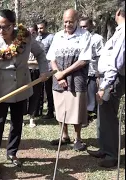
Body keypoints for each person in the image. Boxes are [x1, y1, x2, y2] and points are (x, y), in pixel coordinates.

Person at [0, 9, 48, 179]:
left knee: (17, 123)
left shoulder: (26, 37)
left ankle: (12, 152)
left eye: (5, 27)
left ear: (13, 25)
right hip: (1, 93)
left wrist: (43, 71)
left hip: (21, 88)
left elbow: (41, 53)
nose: (1, 30)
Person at [47, 9, 92, 151]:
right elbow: (51, 57)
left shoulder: (85, 35)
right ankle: (64, 136)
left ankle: (77, 138)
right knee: (60, 108)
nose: (68, 24)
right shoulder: (58, 36)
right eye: (65, 21)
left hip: (77, 78)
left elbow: (84, 60)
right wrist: (58, 75)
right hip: (58, 77)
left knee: (77, 108)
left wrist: (63, 73)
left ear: (77, 21)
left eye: (71, 21)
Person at [87, 1, 125, 168]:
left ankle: (112, 154)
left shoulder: (123, 32)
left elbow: (117, 62)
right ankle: (105, 147)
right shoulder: (119, 32)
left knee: (109, 115)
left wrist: (105, 85)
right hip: (107, 78)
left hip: (113, 79)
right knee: (103, 113)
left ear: (118, 12)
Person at [79, 17, 105, 127]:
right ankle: (83, 115)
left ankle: (91, 114)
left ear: (91, 26)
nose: (83, 28)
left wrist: (99, 73)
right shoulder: (79, 37)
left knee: (92, 94)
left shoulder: (98, 39)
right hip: (81, 70)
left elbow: (101, 56)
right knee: (82, 94)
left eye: (85, 26)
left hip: (93, 71)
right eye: (81, 26)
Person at [36, 20, 55, 119]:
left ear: (46, 27)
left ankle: (50, 111)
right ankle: (38, 111)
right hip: (39, 68)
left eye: (41, 28)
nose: (39, 30)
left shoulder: (51, 38)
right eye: (38, 28)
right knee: (40, 91)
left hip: (49, 69)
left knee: (49, 91)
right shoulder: (37, 38)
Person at [26, 24, 44, 128]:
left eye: (33, 32)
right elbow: (22, 62)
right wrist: (32, 61)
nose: (31, 35)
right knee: (23, 95)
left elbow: (41, 61)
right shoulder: (22, 44)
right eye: (29, 32)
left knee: (35, 95)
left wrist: (30, 62)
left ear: (36, 33)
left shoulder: (40, 45)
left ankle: (32, 118)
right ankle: (22, 116)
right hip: (25, 72)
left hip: (36, 73)